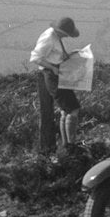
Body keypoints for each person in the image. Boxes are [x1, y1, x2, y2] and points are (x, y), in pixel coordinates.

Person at [30, 17, 82, 154]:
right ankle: (71, 146)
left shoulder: (56, 36)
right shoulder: (49, 37)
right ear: (61, 31)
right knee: (73, 109)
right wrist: (52, 68)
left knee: (66, 110)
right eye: (66, 33)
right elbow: (35, 57)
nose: (66, 36)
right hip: (52, 76)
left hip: (58, 74)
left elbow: (55, 54)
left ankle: (67, 146)